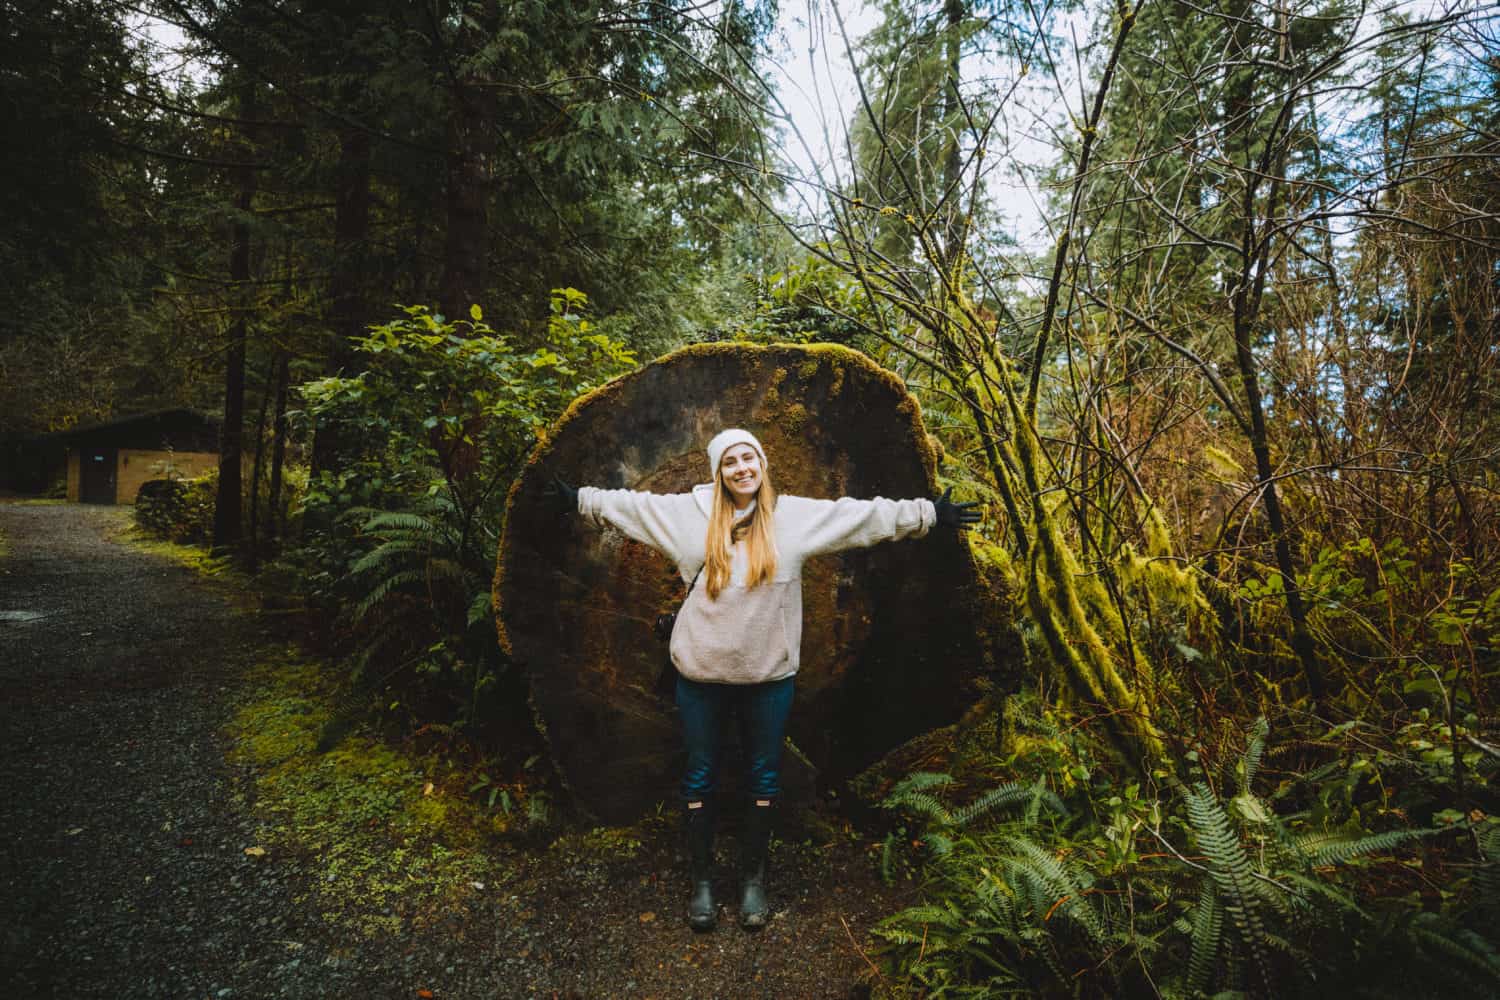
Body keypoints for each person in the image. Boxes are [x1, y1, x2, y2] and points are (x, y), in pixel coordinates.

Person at [547, 428, 978, 931]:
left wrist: (928, 514)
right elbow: (632, 507)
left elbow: (859, 517)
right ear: (718, 472)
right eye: (730, 461)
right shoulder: (686, 518)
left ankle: (753, 878)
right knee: (701, 775)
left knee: (763, 776)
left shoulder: (792, 516)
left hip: (769, 677)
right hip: (701, 677)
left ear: (762, 463)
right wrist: (579, 499)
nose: (741, 468)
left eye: (748, 457)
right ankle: (703, 882)